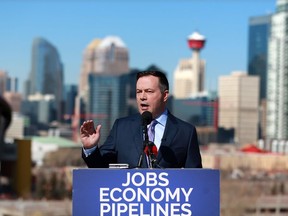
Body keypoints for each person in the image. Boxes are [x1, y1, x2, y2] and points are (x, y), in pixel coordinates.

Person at [80, 70, 202, 168]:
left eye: (149, 91)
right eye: (139, 92)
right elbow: (100, 167)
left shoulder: (186, 132)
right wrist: (90, 148)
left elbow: (194, 178)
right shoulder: (121, 127)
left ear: (164, 96)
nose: (142, 97)